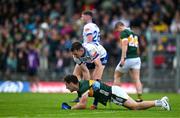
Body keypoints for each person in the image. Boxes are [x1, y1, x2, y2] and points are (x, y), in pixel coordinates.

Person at [62, 74, 171, 111]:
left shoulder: (83, 87)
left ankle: (161, 102)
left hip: (114, 93)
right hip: (113, 94)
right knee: (135, 107)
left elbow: (82, 104)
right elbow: (96, 92)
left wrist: (70, 108)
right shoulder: (82, 87)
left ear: (71, 83)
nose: (66, 88)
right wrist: (95, 105)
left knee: (135, 107)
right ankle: (160, 102)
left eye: (67, 85)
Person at [71, 41, 108, 108]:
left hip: (101, 57)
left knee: (95, 81)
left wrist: (96, 80)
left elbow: (98, 66)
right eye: (74, 54)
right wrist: (85, 87)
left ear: (81, 50)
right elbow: (85, 71)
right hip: (89, 59)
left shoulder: (91, 50)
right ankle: (81, 95)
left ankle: (95, 104)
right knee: (76, 76)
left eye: (76, 54)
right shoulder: (75, 57)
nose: (75, 56)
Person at [113, 21, 143, 102]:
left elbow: (125, 45)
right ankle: (139, 98)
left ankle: (117, 96)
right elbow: (138, 48)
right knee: (137, 79)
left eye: (117, 30)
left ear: (119, 26)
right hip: (136, 58)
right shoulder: (134, 33)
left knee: (117, 75)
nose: (118, 32)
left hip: (128, 58)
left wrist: (123, 58)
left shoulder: (124, 33)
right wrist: (137, 56)